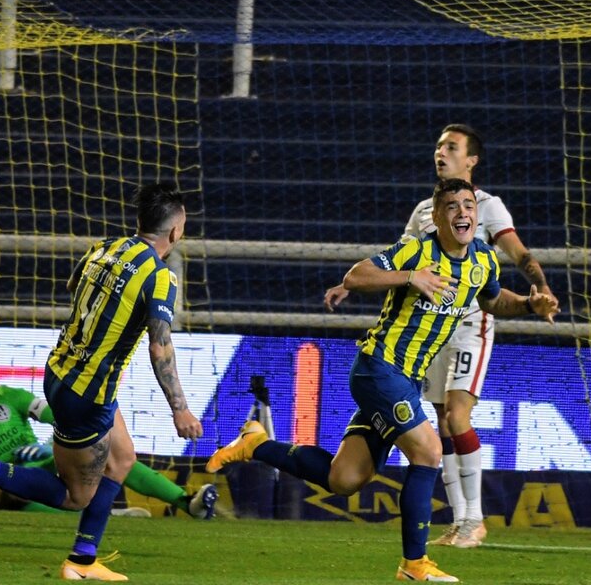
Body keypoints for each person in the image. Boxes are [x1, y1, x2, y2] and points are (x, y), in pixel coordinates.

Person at [207, 178, 559, 583]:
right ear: (438, 217)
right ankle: (413, 565)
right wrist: (411, 278)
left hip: (406, 380)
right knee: (428, 451)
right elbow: (357, 276)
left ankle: (256, 444)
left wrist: (531, 304)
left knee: (344, 478)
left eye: (468, 205)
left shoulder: (483, 260)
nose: (462, 212)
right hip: (378, 369)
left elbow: (493, 301)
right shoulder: (417, 250)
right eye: (451, 206)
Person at [0, 181, 204, 581]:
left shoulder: (104, 247)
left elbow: (73, 286)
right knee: (76, 495)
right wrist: (179, 409)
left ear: (139, 221)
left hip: (61, 369)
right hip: (87, 395)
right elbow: (160, 348)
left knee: (122, 458)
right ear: (175, 231)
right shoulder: (161, 279)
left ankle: (83, 560)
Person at [325, 123, 558, 548]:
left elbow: (518, 253)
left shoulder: (489, 207)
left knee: (456, 416)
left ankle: (474, 519)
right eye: (437, 146)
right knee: (438, 426)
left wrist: (537, 291)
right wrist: (351, 282)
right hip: (427, 330)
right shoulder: (423, 211)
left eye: (451, 147)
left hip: (470, 323)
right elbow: (397, 262)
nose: (440, 152)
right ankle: (459, 521)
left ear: (472, 159)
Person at [0, 340, 217, 522]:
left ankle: (188, 503)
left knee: (111, 456)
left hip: (49, 468)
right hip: (13, 494)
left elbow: (60, 416)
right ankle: (111, 515)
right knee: (22, 496)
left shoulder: (7, 397)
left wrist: (48, 447)